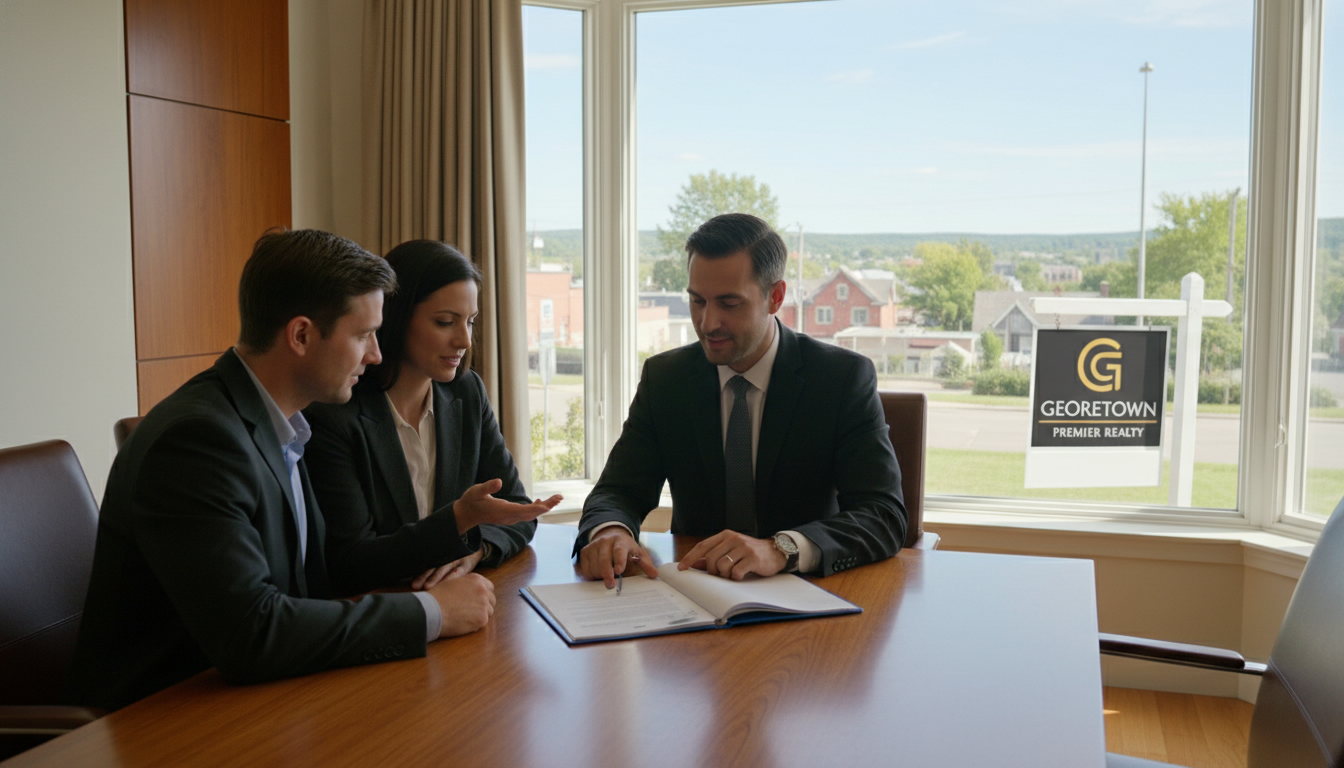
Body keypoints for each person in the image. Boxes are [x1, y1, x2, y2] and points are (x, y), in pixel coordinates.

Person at [68, 230, 527, 712]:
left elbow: (318, 582)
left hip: (267, 696)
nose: (375, 354)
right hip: (164, 720)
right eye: (364, 335)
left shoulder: (285, 426)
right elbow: (252, 634)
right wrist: (432, 611)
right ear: (302, 335)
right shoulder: (197, 442)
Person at [576, 213, 907, 586]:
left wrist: (781, 548)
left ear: (775, 297)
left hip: (807, 599)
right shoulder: (666, 379)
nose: (708, 322)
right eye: (697, 301)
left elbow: (882, 516)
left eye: (729, 304)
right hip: (695, 595)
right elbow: (619, 490)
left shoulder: (840, 380)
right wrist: (609, 532)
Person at [304, 240, 559, 596]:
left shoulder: (465, 392)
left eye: (470, 322)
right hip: (385, 613)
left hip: (461, 605)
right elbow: (351, 562)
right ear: (394, 316)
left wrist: (474, 550)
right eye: (445, 322)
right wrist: (459, 521)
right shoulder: (335, 413)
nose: (465, 340)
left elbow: (517, 509)